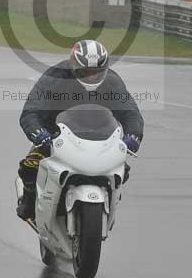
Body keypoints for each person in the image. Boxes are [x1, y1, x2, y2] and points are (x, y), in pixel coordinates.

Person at [16, 39, 144, 220]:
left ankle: (110, 200)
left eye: (96, 72)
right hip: (56, 137)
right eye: (86, 71)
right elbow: (31, 111)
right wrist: (39, 134)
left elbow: (131, 112)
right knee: (30, 165)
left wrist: (133, 135)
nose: (91, 77)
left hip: (102, 139)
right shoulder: (55, 77)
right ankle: (29, 200)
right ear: (73, 66)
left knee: (124, 170)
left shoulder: (112, 82)